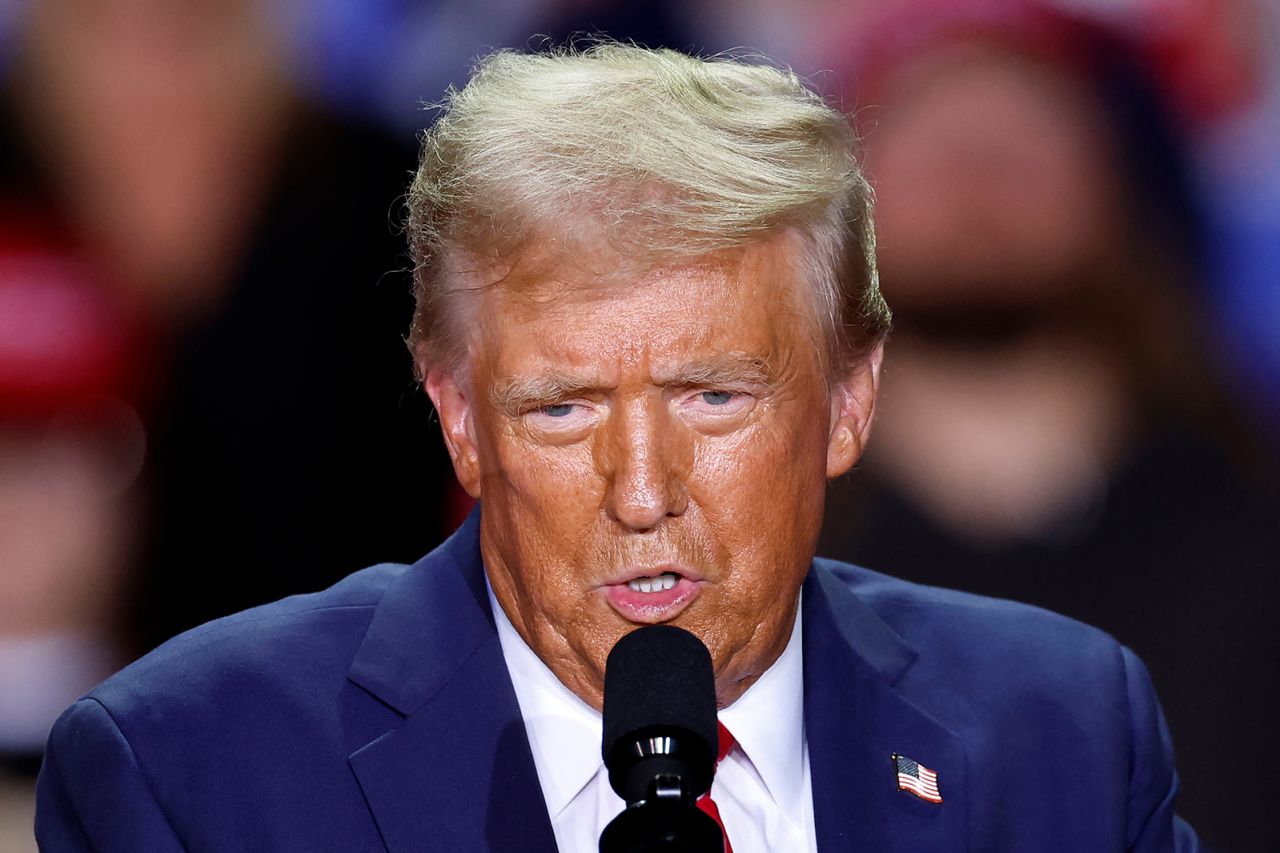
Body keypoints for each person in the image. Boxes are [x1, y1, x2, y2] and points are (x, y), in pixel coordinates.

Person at [35, 43, 1200, 851]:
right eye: (562, 408)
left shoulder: (1060, 734)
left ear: (847, 403)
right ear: (456, 415)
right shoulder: (194, 769)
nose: (641, 492)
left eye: (711, 398)